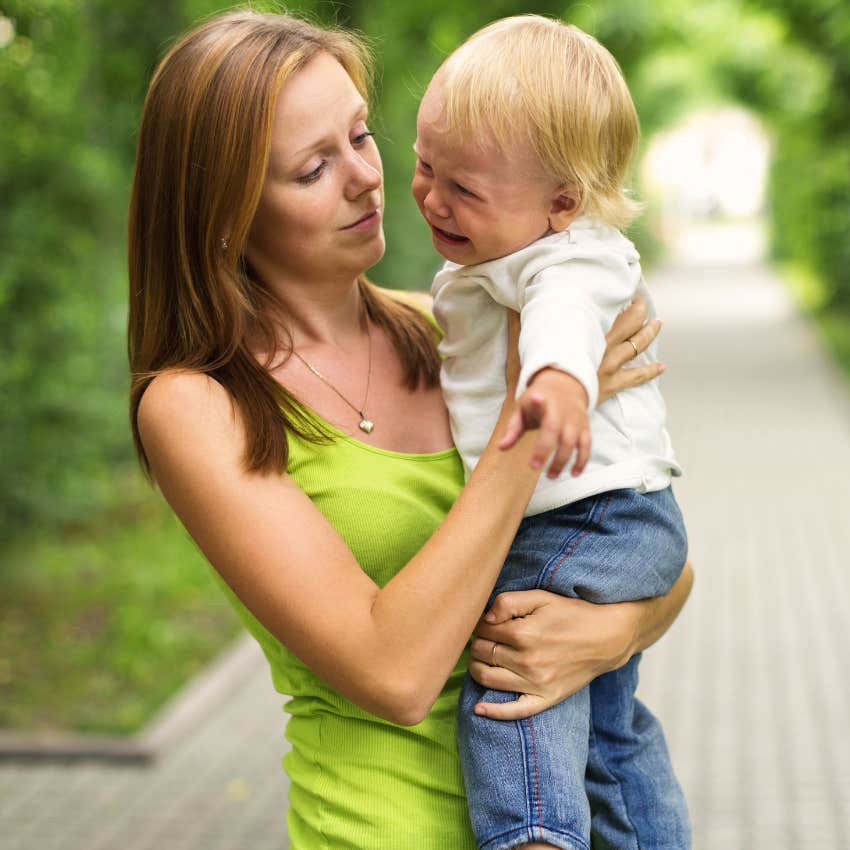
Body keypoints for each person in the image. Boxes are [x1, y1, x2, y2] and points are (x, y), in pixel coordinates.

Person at [127, 10, 693, 849]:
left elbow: (650, 551)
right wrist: (526, 428)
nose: (366, 177)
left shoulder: (452, 329)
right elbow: (392, 674)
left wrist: (607, 633)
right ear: (225, 213)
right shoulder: (197, 405)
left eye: (360, 135)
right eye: (314, 167)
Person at [411, 15, 689, 850]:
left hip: (590, 518)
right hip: (622, 517)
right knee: (607, 724)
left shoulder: (570, 256)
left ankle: (533, 834)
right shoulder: (499, 253)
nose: (432, 198)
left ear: (562, 203)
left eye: (464, 189)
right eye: (424, 166)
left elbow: (563, 316)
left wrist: (559, 382)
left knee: (512, 661)